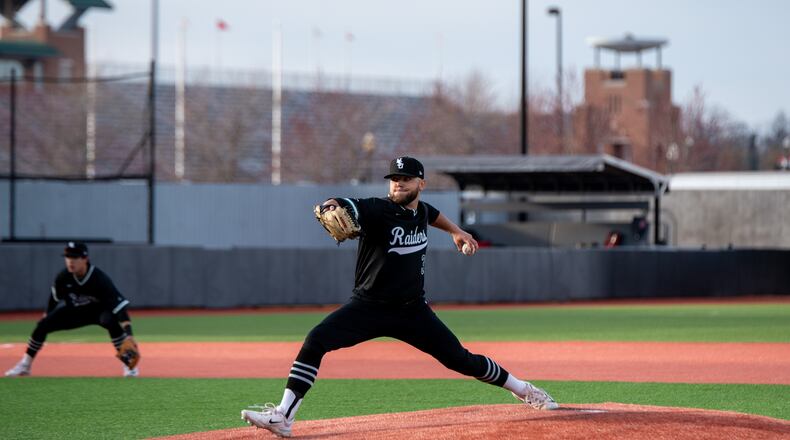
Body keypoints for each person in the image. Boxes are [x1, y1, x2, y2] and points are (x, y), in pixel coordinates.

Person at [241, 156, 558, 437]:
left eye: (405, 179)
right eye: (394, 179)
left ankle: (523, 389)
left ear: (421, 183)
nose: (398, 184)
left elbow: (431, 215)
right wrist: (331, 206)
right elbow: (345, 203)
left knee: (460, 360)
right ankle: (283, 416)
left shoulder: (419, 211)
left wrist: (457, 232)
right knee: (316, 340)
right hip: (367, 306)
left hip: (412, 312)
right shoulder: (378, 210)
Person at [4, 242, 140, 377]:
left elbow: (119, 308)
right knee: (42, 325)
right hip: (75, 312)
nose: (70, 261)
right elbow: (54, 298)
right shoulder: (63, 277)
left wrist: (129, 334)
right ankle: (25, 365)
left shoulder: (99, 279)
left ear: (85, 259)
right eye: (68, 257)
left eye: (75, 257)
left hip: (99, 312)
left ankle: (130, 365)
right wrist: (47, 316)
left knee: (110, 321)